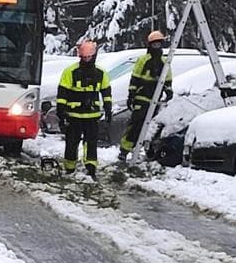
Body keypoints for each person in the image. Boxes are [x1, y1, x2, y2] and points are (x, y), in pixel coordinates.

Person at [56, 40, 112, 179]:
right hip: (73, 115)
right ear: (80, 56)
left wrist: (108, 109)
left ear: (94, 56)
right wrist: (61, 113)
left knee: (91, 143)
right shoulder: (70, 72)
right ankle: (69, 168)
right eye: (84, 57)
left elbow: (106, 92)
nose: (87, 60)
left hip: (92, 116)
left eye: (89, 57)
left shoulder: (101, 73)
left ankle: (91, 168)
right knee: (71, 143)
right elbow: (62, 93)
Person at [118, 30, 172, 162]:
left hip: (155, 99)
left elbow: (168, 79)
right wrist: (131, 95)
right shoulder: (143, 60)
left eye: (159, 44)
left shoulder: (164, 62)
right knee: (135, 125)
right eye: (154, 44)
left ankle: (148, 149)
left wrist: (169, 91)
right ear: (150, 45)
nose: (157, 47)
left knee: (152, 127)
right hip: (141, 97)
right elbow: (135, 78)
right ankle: (125, 150)